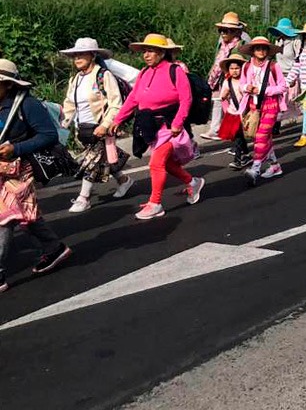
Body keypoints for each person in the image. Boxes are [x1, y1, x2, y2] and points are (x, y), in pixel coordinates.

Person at [102, 34, 203, 221]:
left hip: (169, 126)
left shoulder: (175, 70)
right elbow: (133, 99)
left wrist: (178, 123)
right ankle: (193, 182)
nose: (146, 55)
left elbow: (185, 99)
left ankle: (155, 203)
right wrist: (118, 120)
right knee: (168, 164)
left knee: (156, 163)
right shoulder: (144, 73)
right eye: (144, 51)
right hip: (151, 127)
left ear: (161, 52)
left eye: (150, 51)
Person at [0, 59, 73, 292]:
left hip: (20, 168)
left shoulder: (27, 105)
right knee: (24, 215)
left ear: (9, 85)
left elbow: (49, 135)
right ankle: (53, 248)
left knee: (6, 217)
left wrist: (16, 148)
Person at [59, 37, 134, 212]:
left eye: (81, 54)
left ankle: (83, 198)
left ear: (92, 55)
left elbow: (116, 103)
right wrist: (64, 123)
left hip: (100, 128)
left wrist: (105, 125)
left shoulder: (103, 75)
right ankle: (124, 180)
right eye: (75, 55)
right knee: (102, 159)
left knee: (90, 162)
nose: (77, 58)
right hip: (82, 129)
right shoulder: (76, 79)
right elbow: (70, 104)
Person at [239, 36, 287, 186]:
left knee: (261, 136)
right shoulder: (246, 66)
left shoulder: (273, 66)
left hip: (270, 105)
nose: (261, 51)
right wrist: (247, 88)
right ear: (252, 50)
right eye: (258, 48)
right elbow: (241, 84)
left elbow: (282, 87)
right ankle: (275, 165)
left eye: (264, 48)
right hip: (253, 106)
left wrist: (263, 90)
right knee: (263, 138)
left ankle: (256, 168)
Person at [203, 12, 249, 140]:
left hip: (231, 79)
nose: (223, 33)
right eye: (221, 30)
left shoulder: (239, 45)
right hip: (219, 78)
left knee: (232, 106)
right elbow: (217, 61)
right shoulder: (222, 44)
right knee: (218, 101)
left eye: (226, 31)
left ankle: (234, 133)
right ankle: (215, 129)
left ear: (234, 31)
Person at [216, 52, 251, 170]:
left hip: (245, 112)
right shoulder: (227, 81)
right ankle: (244, 156)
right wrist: (223, 96)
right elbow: (223, 95)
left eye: (237, 68)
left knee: (239, 136)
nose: (234, 71)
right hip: (233, 112)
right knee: (238, 136)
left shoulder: (246, 81)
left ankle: (239, 159)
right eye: (232, 68)